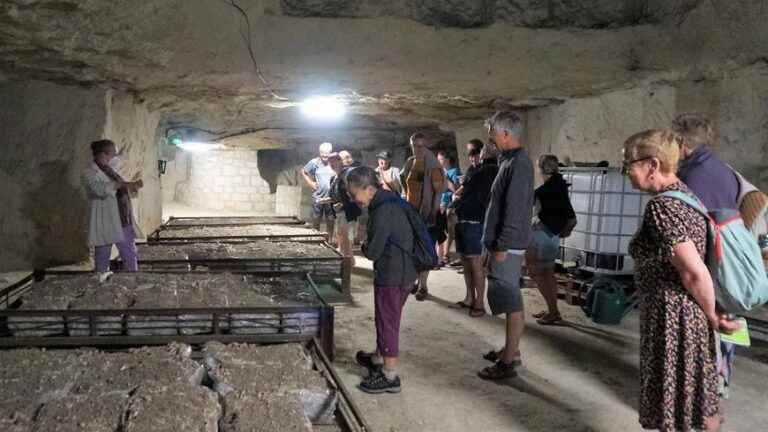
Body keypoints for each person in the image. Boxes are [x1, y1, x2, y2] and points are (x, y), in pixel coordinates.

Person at [623, 129, 738, 431]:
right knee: (696, 392)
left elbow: (692, 271)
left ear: (652, 165)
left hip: (673, 318)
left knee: (675, 401)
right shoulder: (685, 194)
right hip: (684, 313)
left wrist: (713, 315)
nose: (626, 172)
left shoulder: (663, 207)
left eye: (628, 165)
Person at [671, 113, 740, 398]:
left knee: (700, 329)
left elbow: (687, 232)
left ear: (682, 144)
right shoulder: (726, 171)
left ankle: (697, 397)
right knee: (725, 324)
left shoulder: (689, 177)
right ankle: (719, 386)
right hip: (728, 260)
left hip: (703, 264)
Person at [347, 166, 417, 394]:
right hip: (401, 270)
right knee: (385, 317)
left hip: (393, 274)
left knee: (388, 321)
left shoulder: (382, 210)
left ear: (368, 189)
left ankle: (389, 374)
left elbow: (373, 250)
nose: (354, 198)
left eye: (354, 193)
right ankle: (379, 357)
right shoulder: (388, 201)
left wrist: (362, 244)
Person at [478, 112, 534, 380]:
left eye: (491, 133)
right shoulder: (509, 160)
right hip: (503, 244)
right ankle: (510, 350)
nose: (489, 138)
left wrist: (501, 245)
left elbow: (515, 210)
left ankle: (509, 361)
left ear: (504, 134)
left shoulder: (519, 164)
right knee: (506, 298)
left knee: (511, 301)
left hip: (507, 245)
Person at [526, 155, 577, 325]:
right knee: (547, 273)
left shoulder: (543, 191)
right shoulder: (560, 186)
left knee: (536, 272)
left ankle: (553, 312)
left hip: (541, 235)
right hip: (552, 236)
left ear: (540, 169)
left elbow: (530, 212)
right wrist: (564, 231)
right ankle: (552, 309)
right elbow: (571, 218)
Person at [450, 143, 499, 317]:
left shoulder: (490, 171)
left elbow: (476, 197)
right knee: (466, 261)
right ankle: (470, 298)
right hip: (465, 220)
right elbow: (466, 193)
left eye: (485, 150)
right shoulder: (478, 170)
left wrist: (456, 207)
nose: (482, 152)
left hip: (474, 222)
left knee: (476, 263)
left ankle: (479, 303)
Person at [82, 139, 144, 276]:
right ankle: (100, 284)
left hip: (123, 219)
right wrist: (123, 185)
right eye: (113, 153)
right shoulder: (89, 173)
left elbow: (120, 189)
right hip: (106, 222)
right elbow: (98, 190)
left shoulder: (110, 170)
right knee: (102, 256)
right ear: (104, 154)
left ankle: (132, 281)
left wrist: (132, 187)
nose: (115, 156)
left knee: (129, 253)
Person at [400, 132, 445, 301]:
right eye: (414, 146)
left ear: (425, 146)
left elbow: (438, 192)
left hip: (426, 213)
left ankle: (423, 286)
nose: (417, 149)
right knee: (412, 247)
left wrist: (432, 213)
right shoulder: (410, 162)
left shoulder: (432, 165)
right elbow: (404, 181)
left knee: (425, 248)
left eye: (420, 146)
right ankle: (415, 280)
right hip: (411, 212)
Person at [327, 153, 362, 261]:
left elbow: (357, 193)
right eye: (330, 162)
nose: (332, 164)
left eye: (335, 161)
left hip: (349, 211)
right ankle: (345, 260)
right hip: (339, 212)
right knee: (340, 235)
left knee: (346, 238)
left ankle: (349, 262)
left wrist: (343, 204)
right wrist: (324, 200)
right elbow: (335, 196)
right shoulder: (333, 178)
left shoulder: (348, 174)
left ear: (340, 161)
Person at [301, 142, 336, 238]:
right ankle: (317, 239)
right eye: (322, 152)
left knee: (330, 220)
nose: (324, 155)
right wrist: (310, 182)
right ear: (319, 152)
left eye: (327, 152)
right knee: (316, 220)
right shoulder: (314, 162)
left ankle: (329, 240)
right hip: (318, 197)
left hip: (331, 198)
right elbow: (303, 171)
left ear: (331, 152)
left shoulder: (334, 162)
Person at [437, 151, 461, 265]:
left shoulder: (454, 171)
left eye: (440, 159)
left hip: (449, 204)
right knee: (439, 230)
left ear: (447, 159)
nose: (438, 161)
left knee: (449, 230)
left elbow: (456, 189)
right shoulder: (438, 171)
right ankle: (440, 257)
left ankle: (446, 255)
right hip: (438, 203)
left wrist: (445, 178)